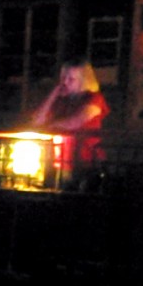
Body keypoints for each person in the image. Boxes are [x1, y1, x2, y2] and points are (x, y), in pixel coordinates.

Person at [32, 57, 109, 191]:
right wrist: (54, 93)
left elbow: (75, 122)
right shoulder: (62, 101)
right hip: (60, 161)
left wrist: (48, 127)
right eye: (63, 78)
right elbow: (37, 120)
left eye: (71, 79)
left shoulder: (94, 99)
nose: (65, 83)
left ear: (83, 81)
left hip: (85, 162)